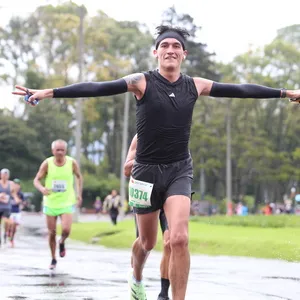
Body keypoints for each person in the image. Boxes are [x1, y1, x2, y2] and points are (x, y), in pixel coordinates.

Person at [12, 24, 300, 300]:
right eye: (165, 45)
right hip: (145, 173)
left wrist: (286, 93)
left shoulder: (195, 85)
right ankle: (136, 277)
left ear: (184, 54)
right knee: (147, 243)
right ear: (156, 53)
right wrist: (49, 92)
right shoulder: (142, 81)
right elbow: (98, 87)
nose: (170, 49)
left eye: (177, 46)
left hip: (178, 169)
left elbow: (240, 90)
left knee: (179, 239)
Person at [125, 134, 171, 300]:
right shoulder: (141, 136)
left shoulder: (176, 131)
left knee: (170, 242)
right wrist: (150, 159)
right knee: (146, 244)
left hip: (168, 193)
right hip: (145, 191)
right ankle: (136, 279)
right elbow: (126, 169)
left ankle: (163, 294)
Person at [33, 139, 83, 270]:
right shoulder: (47, 163)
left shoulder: (72, 163)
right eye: (57, 150)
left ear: (65, 151)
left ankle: (62, 241)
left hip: (67, 201)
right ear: (53, 151)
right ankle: (53, 258)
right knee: (52, 232)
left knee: (66, 229)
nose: (60, 152)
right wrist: (42, 189)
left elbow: (79, 177)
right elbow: (36, 180)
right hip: (51, 202)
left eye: (62, 150)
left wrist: (79, 194)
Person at [0, 169, 21, 246]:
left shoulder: (11, 184)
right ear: (1, 175)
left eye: (6, 175)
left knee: (7, 222)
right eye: (3, 174)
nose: (5, 176)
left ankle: (5, 233)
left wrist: (16, 199)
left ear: (8, 176)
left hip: (7, 207)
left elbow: (13, 193)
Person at [8, 178, 26, 247]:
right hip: (10, 212)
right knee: (11, 224)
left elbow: (23, 202)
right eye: (15, 184)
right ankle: (8, 233)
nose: (16, 186)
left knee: (15, 227)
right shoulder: (9, 192)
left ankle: (12, 238)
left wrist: (21, 203)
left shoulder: (20, 194)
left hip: (17, 212)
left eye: (17, 184)